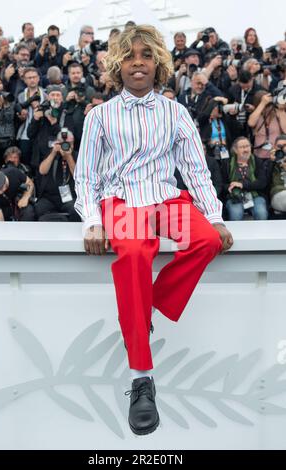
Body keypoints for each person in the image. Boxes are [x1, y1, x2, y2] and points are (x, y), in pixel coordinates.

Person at [74, 24, 233, 437]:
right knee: (134, 254)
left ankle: (144, 307)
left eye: (145, 55)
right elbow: (87, 177)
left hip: (165, 199)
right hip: (122, 201)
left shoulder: (175, 112)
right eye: (129, 56)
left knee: (207, 240)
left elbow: (195, 169)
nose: (138, 62)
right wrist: (92, 221)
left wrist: (214, 214)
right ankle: (141, 379)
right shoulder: (100, 116)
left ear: (158, 63)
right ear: (117, 65)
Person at [222, 136, 268, 221]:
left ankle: (261, 234)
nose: (246, 150)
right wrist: (230, 186)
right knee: (236, 214)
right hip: (235, 197)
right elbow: (223, 184)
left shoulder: (257, 161)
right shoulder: (227, 163)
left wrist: (242, 185)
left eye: (247, 146)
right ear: (235, 150)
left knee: (261, 213)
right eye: (242, 147)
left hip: (255, 195)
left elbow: (262, 182)